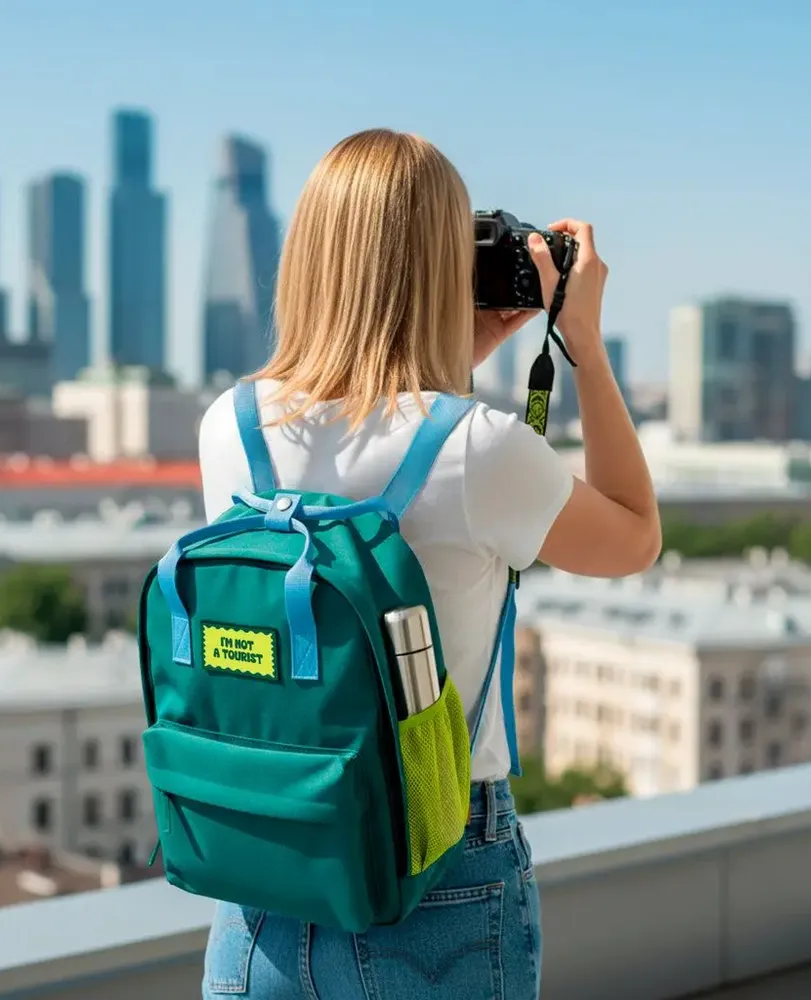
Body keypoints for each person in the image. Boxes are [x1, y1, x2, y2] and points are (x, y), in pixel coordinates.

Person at [197, 129, 660, 1000]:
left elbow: (364, 435)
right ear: (444, 262)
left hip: (264, 878)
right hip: (438, 873)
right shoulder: (480, 450)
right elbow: (635, 536)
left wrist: (452, 359)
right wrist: (584, 346)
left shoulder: (233, 426)